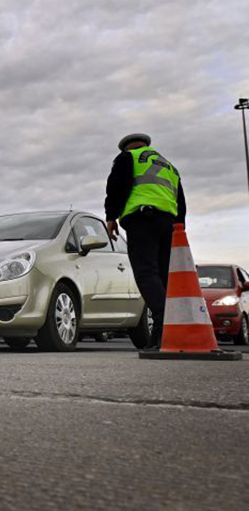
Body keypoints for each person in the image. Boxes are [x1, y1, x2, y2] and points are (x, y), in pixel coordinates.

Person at [104, 133, 186, 350]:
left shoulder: (128, 158)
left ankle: (162, 323)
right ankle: (169, 331)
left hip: (143, 220)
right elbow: (180, 199)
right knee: (163, 276)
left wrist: (111, 216)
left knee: (146, 273)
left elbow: (116, 187)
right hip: (169, 224)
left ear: (126, 147)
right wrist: (180, 227)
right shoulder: (169, 166)